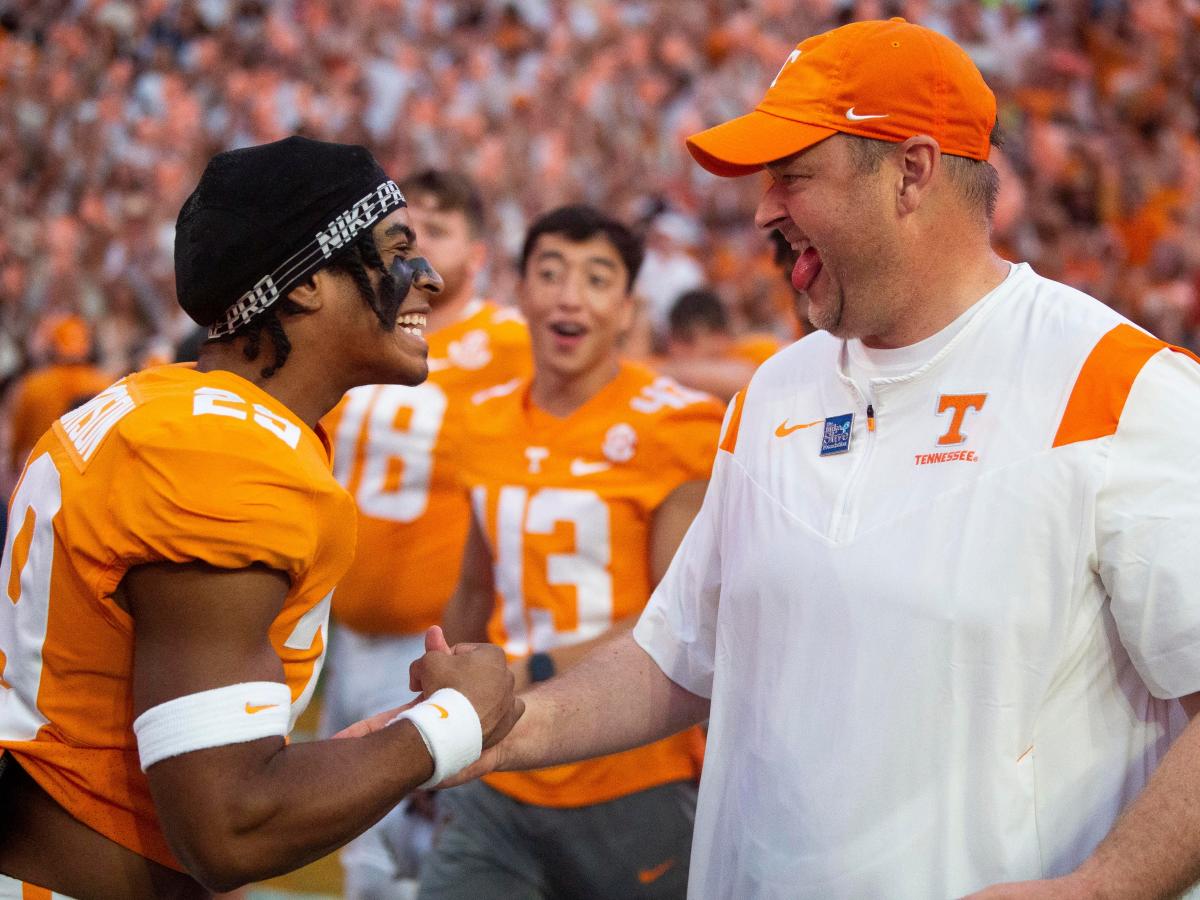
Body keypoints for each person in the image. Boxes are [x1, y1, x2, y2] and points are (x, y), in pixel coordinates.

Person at [424, 18, 1200, 899]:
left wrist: (1108, 885)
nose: (762, 211)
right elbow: (680, 656)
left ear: (911, 172)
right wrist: (509, 725)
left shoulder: (1117, 384)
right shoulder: (773, 395)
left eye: (793, 176)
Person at [0, 136, 521, 898]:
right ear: (307, 285)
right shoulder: (223, 455)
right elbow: (228, 826)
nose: (431, 278)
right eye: (398, 249)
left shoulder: (172, 407)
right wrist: (453, 723)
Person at [420, 205, 725, 899]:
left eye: (595, 278)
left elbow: (673, 620)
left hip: (628, 769)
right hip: (498, 767)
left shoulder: (675, 424)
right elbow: (473, 591)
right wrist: (439, 723)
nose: (568, 295)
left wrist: (535, 671)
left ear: (626, 309)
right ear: (521, 292)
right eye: (550, 273)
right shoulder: (480, 418)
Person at [319, 169, 530, 898]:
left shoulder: (509, 340)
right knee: (351, 837)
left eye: (438, 229)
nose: (417, 246)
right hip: (343, 627)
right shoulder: (369, 326)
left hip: (427, 634)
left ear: (477, 252)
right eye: (408, 230)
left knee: (416, 847)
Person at [4, 314, 112, 482]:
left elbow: (19, 441)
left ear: (52, 347)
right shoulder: (105, 384)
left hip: (41, 475)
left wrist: (13, 465)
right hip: (91, 477)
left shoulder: (33, 385)